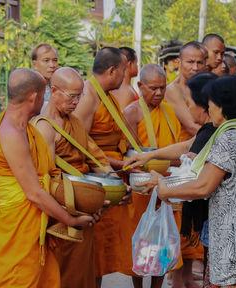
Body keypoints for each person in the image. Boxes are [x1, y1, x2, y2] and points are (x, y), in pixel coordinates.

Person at [0, 68, 94, 288]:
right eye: (44, 93)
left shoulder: (26, 129)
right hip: (16, 229)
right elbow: (34, 192)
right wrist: (71, 220)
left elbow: (48, 176)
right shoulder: (12, 133)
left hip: (31, 227)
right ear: (34, 97)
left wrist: (88, 199)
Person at [142, 75, 236, 288]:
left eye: (211, 102)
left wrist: (164, 187)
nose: (209, 108)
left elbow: (203, 186)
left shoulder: (228, 138)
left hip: (232, 239)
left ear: (223, 106)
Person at [125, 72, 218, 288]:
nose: (187, 108)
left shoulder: (219, 133)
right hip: (213, 216)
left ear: (206, 105)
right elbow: (187, 146)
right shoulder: (211, 129)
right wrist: (149, 155)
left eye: (191, 102)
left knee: (219, 276)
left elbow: (202, 184)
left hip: (222, 221)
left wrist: (163, 185)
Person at [34, 67, 112, 288]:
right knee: (63, 276)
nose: (77, 102)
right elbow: (47, 178)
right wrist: (85, 199)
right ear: (54, 91)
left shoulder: (75, 122)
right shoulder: (44, 127)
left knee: (82, 274)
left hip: (84, 203)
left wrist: (114, 185)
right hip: (62, 212)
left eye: (80, 96)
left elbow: (96, 158)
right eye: (72, 96)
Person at [74, 47, 134, 288]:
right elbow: (79, 145)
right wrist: (117, 167)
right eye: (123, 70)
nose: (125, 76)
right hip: (96, 179)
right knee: (91, 253)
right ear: (112, 70)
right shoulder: (88, 97)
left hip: (108, 171)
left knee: (99, 253)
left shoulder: (103, 95)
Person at [123, 64, 181, 288]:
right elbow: (131, 153)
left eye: (162, 88)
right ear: (140, 86)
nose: (158, 93)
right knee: (142, 241)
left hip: (167, 184)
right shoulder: (132, 112)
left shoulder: (168, 111)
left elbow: (176, 148)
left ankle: (157, 286)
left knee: (163, 241)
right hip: (143, 185)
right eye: (153, 88)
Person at [165, 41, 206, 142]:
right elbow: (191, 127)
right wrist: (222, 140)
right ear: (179, 62)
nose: (195, 68)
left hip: (203, 144)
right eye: (190, 62)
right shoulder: (173, 89)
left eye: (199, 63)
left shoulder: (203, 86)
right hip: (183, 150)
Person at [31, 43, 58, 108]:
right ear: (34, 64)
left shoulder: (59, 88)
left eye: (55, 60)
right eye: (46, 60)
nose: (52, 65)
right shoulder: (30, 90)